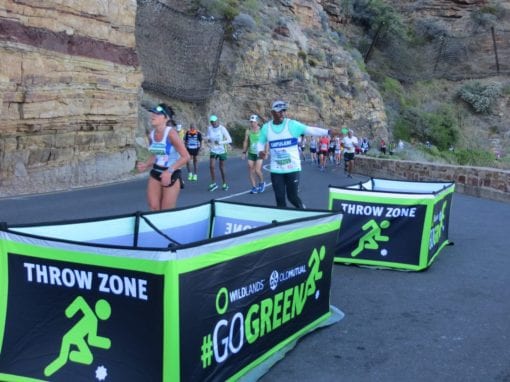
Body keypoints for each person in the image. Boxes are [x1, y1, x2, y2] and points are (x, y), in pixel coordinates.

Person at [257, 100, 329, 209]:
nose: (282, 113)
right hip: (276, 169)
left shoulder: (292, 124)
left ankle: (303, 211)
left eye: (284, 111)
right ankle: (283, 222)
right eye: (279, 111)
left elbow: (310, 130)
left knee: (292, 196)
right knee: (279, 198)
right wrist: (260, 151)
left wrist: (327, 132)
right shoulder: (266, 128)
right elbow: (260, 142)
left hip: (293, 168)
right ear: (272, 112)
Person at [136, 103, 190, 210]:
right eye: (153, 113)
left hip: (171, 174)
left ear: (166, 118)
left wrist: (169, 171)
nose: (153, 115)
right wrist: (146, 165)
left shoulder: (171, 133)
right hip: (156, 172)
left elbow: (186, 157)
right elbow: (156, 155)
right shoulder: (152, 134)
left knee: (166, 212)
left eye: (158, 114)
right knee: (153, 207)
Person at [206, 114, 232, 191]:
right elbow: (208, 137)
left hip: (222, 150)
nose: (213, 123)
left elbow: (229, 140)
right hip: (213, 149)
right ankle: (213, 183)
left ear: (217, 121)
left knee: (221, 167)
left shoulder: (222, 129)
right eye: (211, 122)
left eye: (214, 121)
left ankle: (224, 183)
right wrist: (208, 139)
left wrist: (220, 142)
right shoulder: (209, 129)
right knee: (211, 166)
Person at [242, 114, 266, 194]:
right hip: (251, 153)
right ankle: (254, 187)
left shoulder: (262, 130)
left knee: (257, 170)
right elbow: (245, 141)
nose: (252, 123)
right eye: (251, 122)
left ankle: (262, 182)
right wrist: (244, 152)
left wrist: (266, 152)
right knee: (251, 169)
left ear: (257, 122)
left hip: (259, 153)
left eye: (254, 122)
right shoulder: (248, 131)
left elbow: (266, 142)